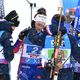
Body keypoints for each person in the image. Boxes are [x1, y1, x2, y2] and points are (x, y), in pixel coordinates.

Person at [14, 7, 52, 80]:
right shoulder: (26, 32)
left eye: (42, 24)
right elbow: (14, 50)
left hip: (37, 69)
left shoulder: (45, 35)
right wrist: (19, 39)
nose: (40, 26)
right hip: (24, 68)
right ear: (35, 21)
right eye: (39, 24)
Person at [46, 14, 80, 80]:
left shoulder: (70, 38)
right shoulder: (46, 36)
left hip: (64, 72)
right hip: (50, 71)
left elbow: (77, 55)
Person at [0, 10, 20, 80]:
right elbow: (9, 56)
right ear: (11, 23)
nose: (14, 29)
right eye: (15, 26)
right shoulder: (6, 34)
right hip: (2, 71)